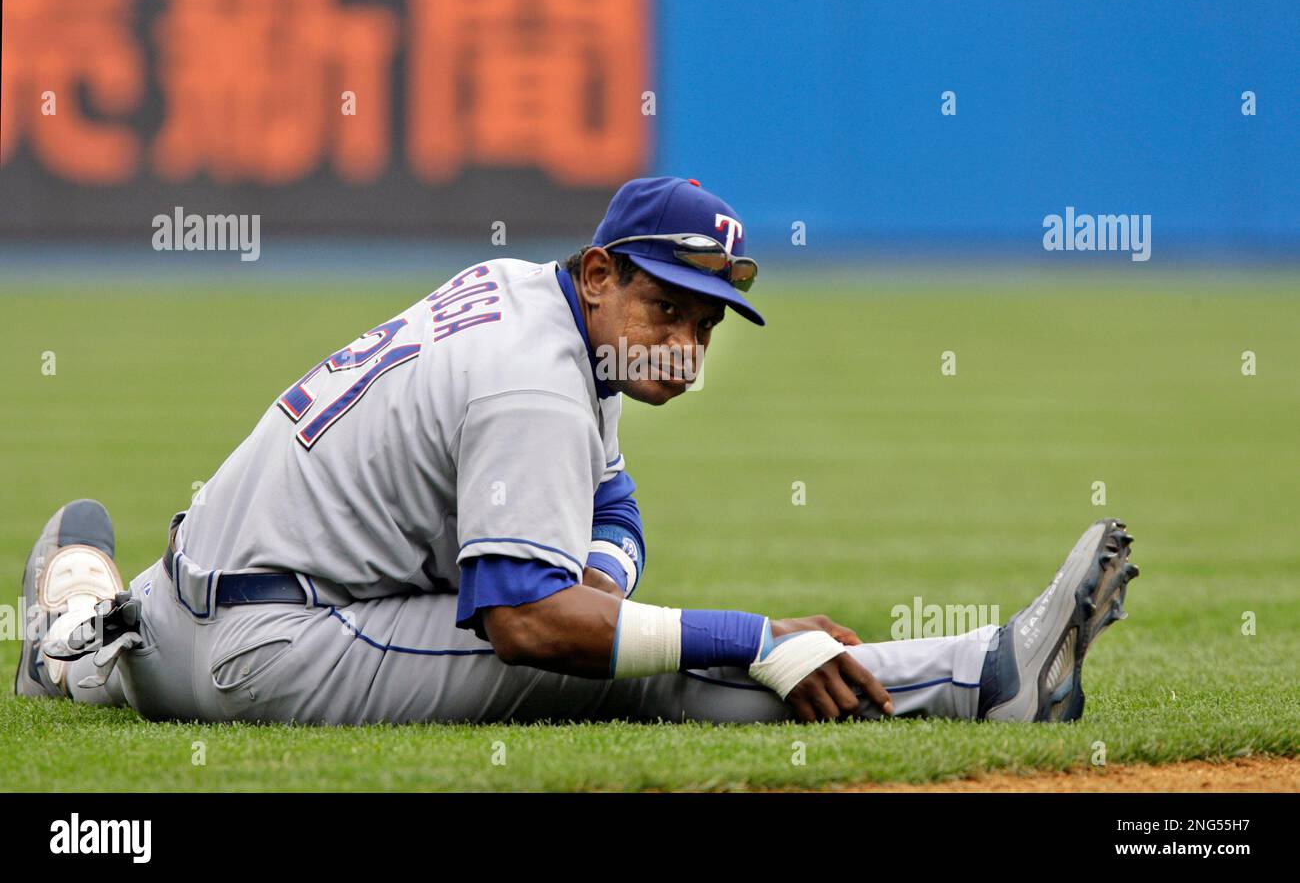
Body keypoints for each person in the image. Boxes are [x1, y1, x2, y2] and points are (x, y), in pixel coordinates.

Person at [15, 176, 1138, 726]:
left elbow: (615, 508)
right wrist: (751, 634)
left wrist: (605, 588)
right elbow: (525, 622)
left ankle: (69, 616)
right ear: (599, 272)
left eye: (705, 326)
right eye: (668, 308)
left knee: (621, 636)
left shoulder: (534, 303)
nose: (684, 346)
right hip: (272, 639)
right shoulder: (534, 379)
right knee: (638, 673)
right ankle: (981, 676)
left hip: (182, 608)